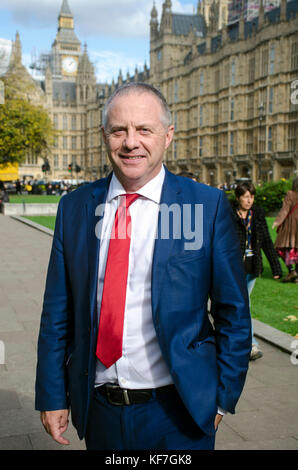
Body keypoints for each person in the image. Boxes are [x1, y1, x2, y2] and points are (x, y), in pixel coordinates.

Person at [35, 82, 251, 451]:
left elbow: (234, 312)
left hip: (180, 412)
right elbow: (57, 314)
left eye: (144, 130)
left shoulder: (204, 206)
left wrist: (221, 398)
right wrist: (53, 394)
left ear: (168, 136)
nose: (130, 142)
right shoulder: (75, 208)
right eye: (119, 130)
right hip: (100, 409)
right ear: (105, 136)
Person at [231, 182, 282, 361]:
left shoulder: (257, 215)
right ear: (238, 198)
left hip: (252, 267)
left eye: (251, 196)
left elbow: (267, 241)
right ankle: (248, 344)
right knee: (241, 306)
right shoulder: (230, 215)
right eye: (245, 196)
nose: (249, 200)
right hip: (233, 269)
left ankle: (248, 344)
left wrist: (276, 267)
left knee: (244, 305)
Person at [272, 177, 298, 283]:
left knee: (282, 247)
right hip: (293, 226)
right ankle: (295, 273)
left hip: (291, 226)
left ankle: (292, 271)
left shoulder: (290, 194)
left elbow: (285, 210)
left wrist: (277, 222)